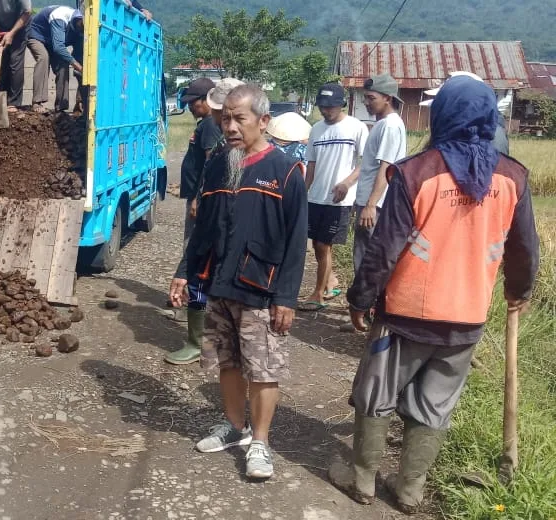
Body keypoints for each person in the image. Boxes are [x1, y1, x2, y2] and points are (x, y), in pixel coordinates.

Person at [329, 75, 538, 514]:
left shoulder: (415, 172)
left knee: (376, 392)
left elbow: (385, 248)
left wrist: (360, 299)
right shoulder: (514, 177)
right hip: (467, 316)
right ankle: (409, 490)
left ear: (442, 115)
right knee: (435, 402)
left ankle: (363, 479)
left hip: (406, 314)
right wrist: (518, 292)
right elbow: (524, 249)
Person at [170, 85, 307, 480]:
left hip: (261, 289)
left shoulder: (284, 170)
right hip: (219, 284)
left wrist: (286, 297)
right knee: (227, 362)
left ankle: (261, 443)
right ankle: (235, 427)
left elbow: (297, 239)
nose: (229, 126)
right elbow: (203, 229)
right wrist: (185, 271)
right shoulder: (218, 165)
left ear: (263, 121)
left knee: (263, 369)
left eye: (239, 118)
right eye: (225, 118)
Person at [163, 77, 220, 365]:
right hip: (199, 200)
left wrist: (199, 197)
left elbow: (210, 166)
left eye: (193, 103)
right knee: (194, 263)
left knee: (195, 262)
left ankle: (198, 341)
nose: (191, 109)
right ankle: (199, 331)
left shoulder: (211, 125)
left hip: (203, 203)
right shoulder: (205, 125)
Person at [300, 83, 367, 311]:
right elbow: (311, 164)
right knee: (318, 246)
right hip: (316, 196)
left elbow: (365, 162)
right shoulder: (316, 129)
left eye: (331, 106)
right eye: (323, 106)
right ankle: (330, 283)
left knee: (323, 244)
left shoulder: (356, 128)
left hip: (339, 199)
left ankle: (318, 294)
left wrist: (347, 183)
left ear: (342, 105)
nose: (326, 110)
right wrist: (303, 190)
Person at [353, 74, 406, 270]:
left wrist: (371, 204)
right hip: (369, 201)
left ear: (388, 98)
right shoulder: (381, 124)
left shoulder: (391, 125)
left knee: (370, 259)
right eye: (365, 97)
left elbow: (386, 167)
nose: (366, 103)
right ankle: (361, 299)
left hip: (377, 205)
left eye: (371, 98)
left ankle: (367, 300)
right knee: (363, 254)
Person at [27, 5, 84, 113]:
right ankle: (37, 102)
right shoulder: (60, 16)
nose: (82, 30)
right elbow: (58, 48)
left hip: (52, 43)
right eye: (82, 26)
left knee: (63, 63)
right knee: (43, 58)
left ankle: (61, 107)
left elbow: (79, 60)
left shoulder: (80, 31)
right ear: (78, 20)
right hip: (37, 36)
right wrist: (77, 65)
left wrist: (80, 99)